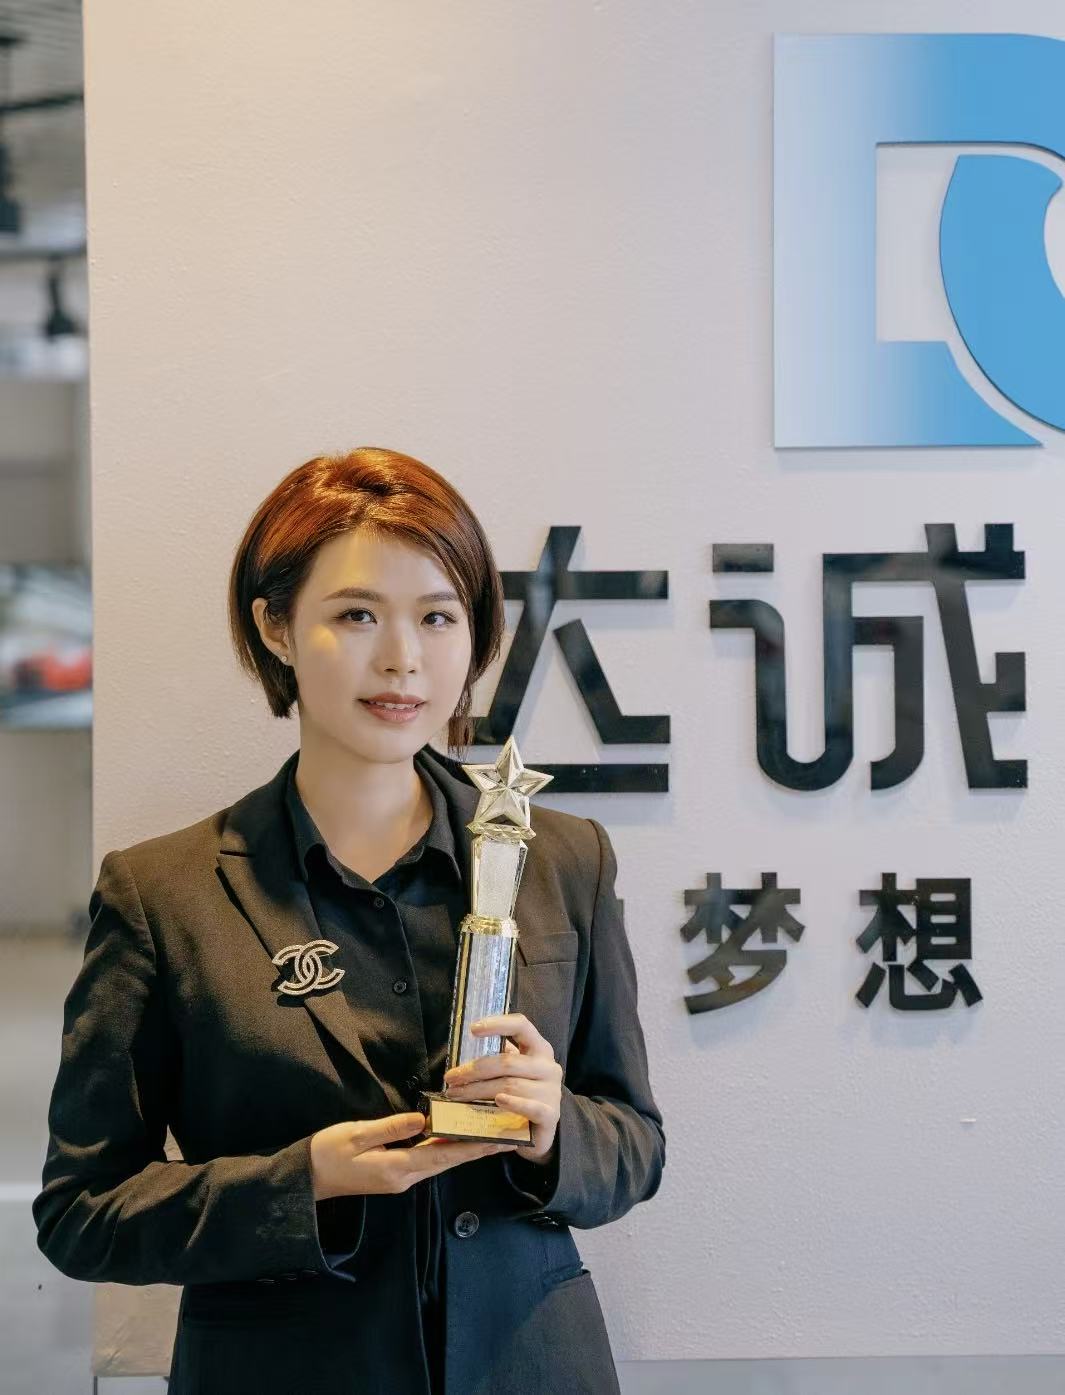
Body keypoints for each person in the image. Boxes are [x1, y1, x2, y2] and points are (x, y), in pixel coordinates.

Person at [33, 446, 666, 1395]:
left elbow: (635, 1144)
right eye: (357, 614)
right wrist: (302, 1182)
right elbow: (82, 1212)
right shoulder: (163, 892)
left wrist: (551, 1128)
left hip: (530, 1364)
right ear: (277, 626)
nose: (403, 657)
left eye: (438, 616)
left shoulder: (562, 859)